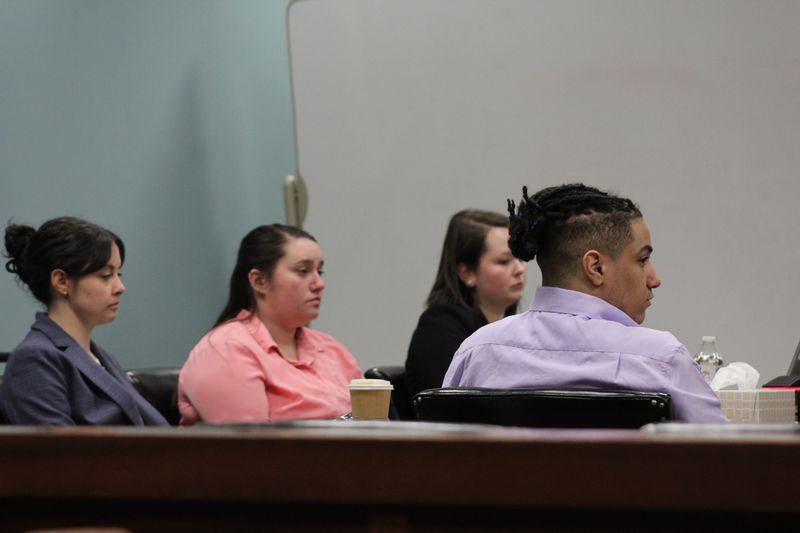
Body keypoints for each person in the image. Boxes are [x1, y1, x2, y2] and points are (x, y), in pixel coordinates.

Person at [443, 184, 727, 423]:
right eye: (642, 260)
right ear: (596, 267)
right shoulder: (661, 361)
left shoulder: (476, 354)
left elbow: (442, 462)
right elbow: (729, 464)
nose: (655, 279)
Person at [178, 224, 362, 425]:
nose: (319, 284)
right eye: (303, 271)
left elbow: (375, 424)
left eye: (320, 271)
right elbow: (252, 450)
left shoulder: (331, 349)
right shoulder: (226, 349)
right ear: (259, 281)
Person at [1, 217, 168, 426]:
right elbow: (60, 455)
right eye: (106, 275)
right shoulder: (35, 359)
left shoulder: (100, 356)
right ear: (62, 282)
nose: (120, 287)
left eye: (118, 274)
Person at [405, 209, 527, 397]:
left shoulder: (519, 326)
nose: (520, 269)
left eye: (520, 257)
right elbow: (450, 409)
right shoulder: (439, 329)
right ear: (467, 273)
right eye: (504, 261)